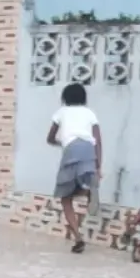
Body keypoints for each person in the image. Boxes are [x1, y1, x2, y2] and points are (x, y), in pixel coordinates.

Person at [47, 82, 102, 254]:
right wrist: (98, 167)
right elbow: (98, 141)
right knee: (80, 186)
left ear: (65, 98)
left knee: (65, 197)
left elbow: (50, 137)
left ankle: (78, 238)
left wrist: (60, 142)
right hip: (88, 150)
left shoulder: (61, 112)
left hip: (71, 150)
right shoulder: (90, 113)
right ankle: (88, 191)